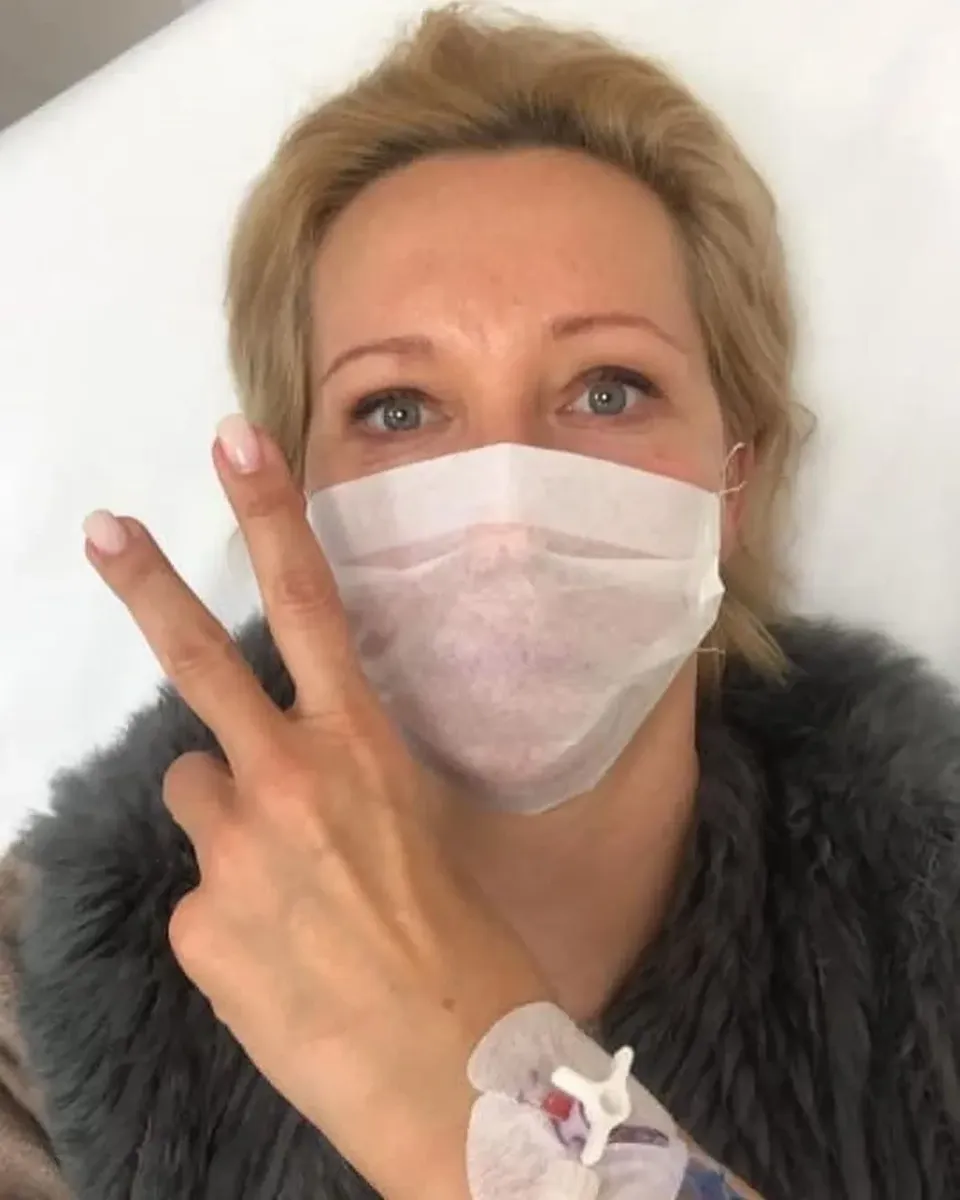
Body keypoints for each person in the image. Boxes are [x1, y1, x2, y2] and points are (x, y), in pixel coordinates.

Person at [1, 4, 958, 1198]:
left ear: (735, 482)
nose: (506, 514)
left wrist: (471, 1096)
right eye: (397, 410)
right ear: (297, 496)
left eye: (608, 390)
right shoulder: (42, 1000)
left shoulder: (930, 927)